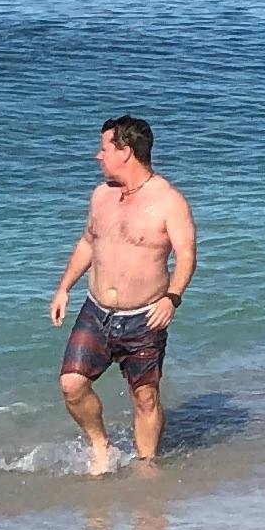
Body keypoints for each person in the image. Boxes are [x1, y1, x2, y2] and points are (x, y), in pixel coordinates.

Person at [50, 114, 196, 473]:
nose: (98, 156)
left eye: (104, 149)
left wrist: (171, 298)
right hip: (96, 310)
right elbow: (88, 241)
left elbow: (187, 255)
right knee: (71, 385)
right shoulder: (101, 196)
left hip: (144, 316)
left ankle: (147, 468)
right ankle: (102, 446)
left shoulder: (168, 201)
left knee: (145, 398)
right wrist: (63, 288)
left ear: (125, 152)